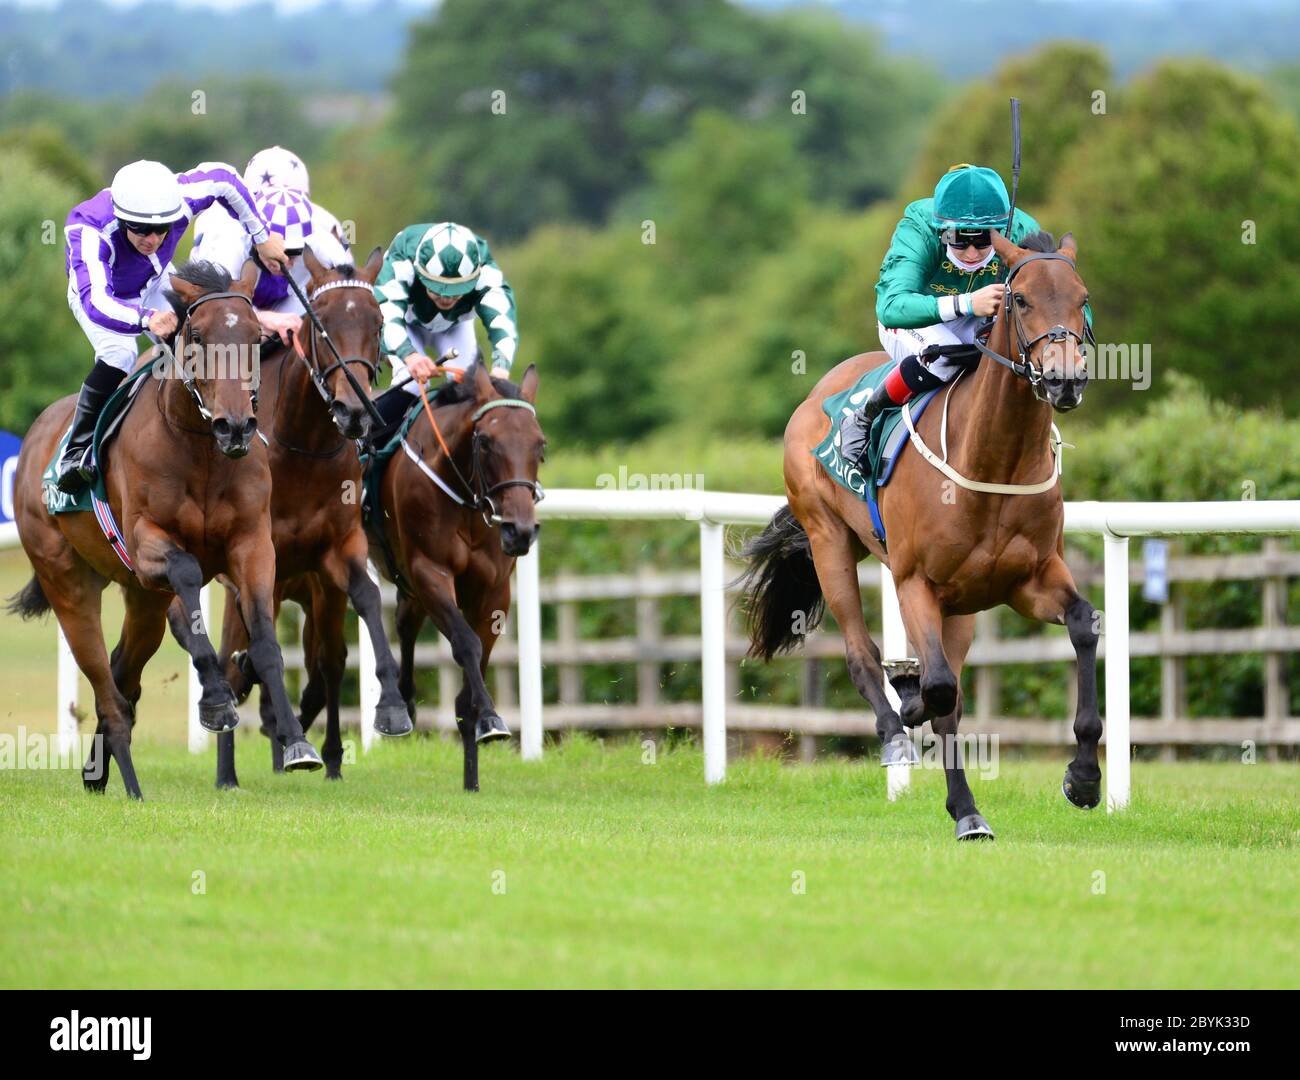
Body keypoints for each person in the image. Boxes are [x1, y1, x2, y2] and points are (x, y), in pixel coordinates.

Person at [57, 159, 288, 493]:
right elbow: (96, 302)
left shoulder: (182, 196)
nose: (152, 239)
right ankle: (76, 449)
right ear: (121, 219)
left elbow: (226, 178)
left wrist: (262, 236)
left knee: (200, 339)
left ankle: (226, 423)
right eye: (139, 230)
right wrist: (145, 318)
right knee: (120, 354)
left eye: (162, 229)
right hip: (104, 296)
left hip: (154, 282)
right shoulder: (88, 230)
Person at [838, 163, 1043, 469]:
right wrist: (966, 303)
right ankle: (864, 417)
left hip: (982, 317)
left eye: (983, 240)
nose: (972, 253)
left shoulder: (1022, 230)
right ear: (941, 230)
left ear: (1001, 231)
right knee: (947, 358)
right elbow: (892, 306)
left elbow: (1065, 298)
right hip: (914, 319)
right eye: (959, 239)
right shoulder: (919, 226)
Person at [369, 221, 519, 431]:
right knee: (412, 382)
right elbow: (386, 316)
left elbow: (503, 323)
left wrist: (501, 369)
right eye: (437, 289)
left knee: (473, 388)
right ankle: (365, 446)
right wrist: (409, 355)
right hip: (406, 324)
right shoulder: (403, 257)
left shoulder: (485, 270)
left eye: (457, 291)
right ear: (420, 273)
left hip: (456, 326)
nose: (447, 299)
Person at [192, 183, 350, 341]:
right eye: (279, 251)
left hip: (285, 299)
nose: (286, 261)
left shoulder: (321, 242)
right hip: (219, 299)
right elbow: (218, 308)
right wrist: (264, 318)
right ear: (257, 239)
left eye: (294, 252)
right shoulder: (229, 244)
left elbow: (357, 287)